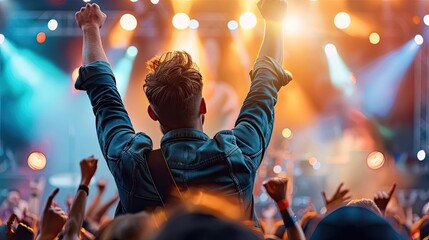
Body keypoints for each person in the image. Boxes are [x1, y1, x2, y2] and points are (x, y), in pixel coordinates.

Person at [74, 0, 292, 231]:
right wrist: (275, 20)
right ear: (203, 107)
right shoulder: (237, 154)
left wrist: (90, 28)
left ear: (152, 114)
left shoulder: (133, 164)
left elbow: (105, 98)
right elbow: (265, 84)